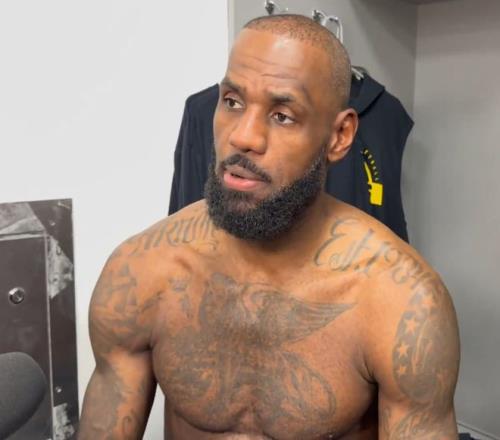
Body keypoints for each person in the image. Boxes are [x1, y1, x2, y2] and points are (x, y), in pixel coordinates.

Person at [78, 14, 460, 440]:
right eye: (232, 102)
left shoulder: (401, 302)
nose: (243, 137)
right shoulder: (141, 272)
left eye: (282, 115)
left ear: (339, 135)